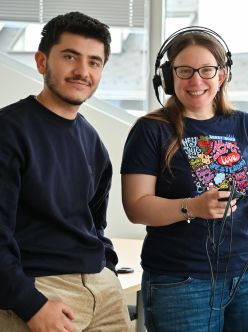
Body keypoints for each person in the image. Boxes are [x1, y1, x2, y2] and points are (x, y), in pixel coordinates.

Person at [121, 27, 248, 332]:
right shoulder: (150, 129)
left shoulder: (242, 123)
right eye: (184, 71)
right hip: (182, 281)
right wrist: (193, 207)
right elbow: (136, 206)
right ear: (169, 77)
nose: (196, 81)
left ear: (221, 75)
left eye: (207, 70)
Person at [0, 12, 130, 332]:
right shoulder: (9, 130)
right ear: (42, 62)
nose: (82, 71)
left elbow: (95, 224)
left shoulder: (92, 140)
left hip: (103, 291)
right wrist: (30, 304)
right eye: (70, 57)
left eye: (94, 62)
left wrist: (108, 271)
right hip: (42, 292)